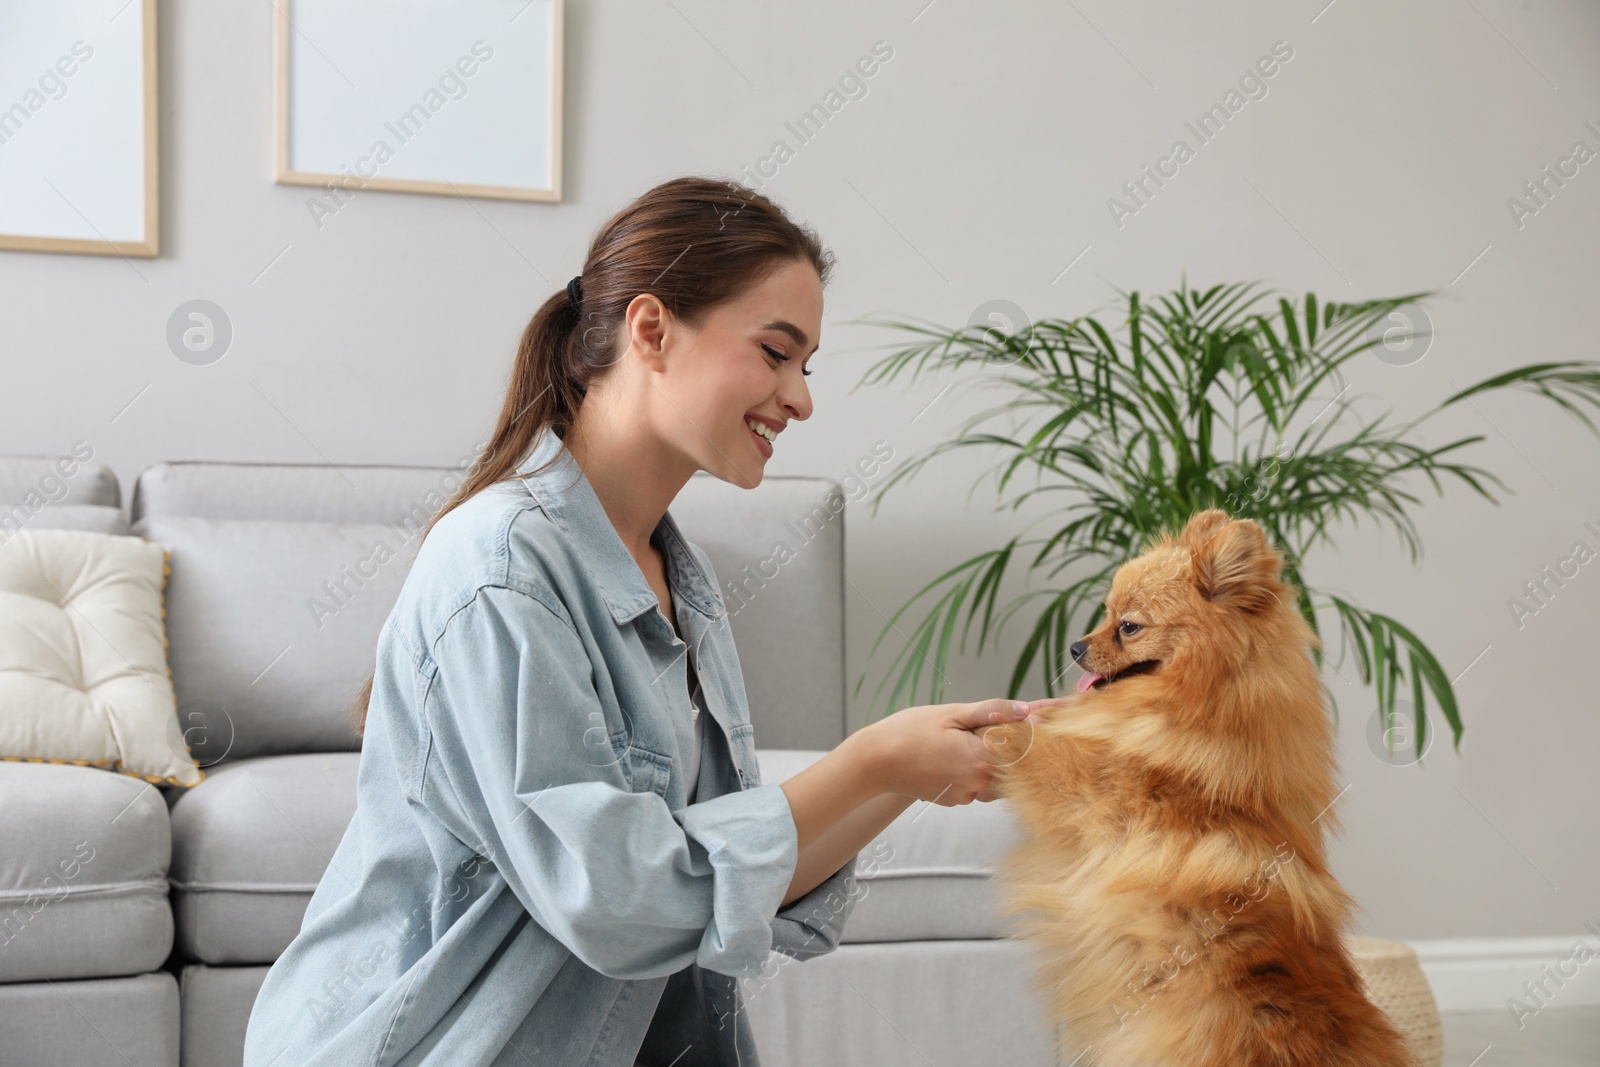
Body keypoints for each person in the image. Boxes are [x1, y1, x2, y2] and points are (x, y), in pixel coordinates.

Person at [241, 176, 1040, 1067]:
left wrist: (910, 773)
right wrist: (872, 759)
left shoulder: (674, 578)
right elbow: (616, 897)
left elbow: (725, 883)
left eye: (805, 366)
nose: (801, 398)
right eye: (777, 352)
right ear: (651, 330)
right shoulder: (499, 567)